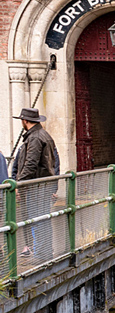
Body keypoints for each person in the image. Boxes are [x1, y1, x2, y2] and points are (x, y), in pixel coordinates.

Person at [14, 107, 57, 260]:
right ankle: (44, 252)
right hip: (42, 185)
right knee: (42, 219)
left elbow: (31, 164)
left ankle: (40, 255)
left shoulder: (35, 138)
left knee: (37, 219)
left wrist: (18, 184)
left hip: (36, 187)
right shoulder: (43, 135)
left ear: (25, 121)